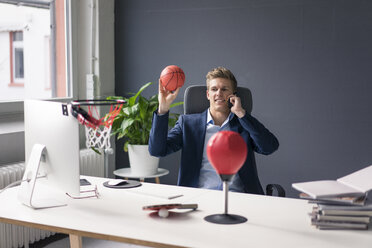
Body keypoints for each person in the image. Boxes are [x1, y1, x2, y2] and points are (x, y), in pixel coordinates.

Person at [149, 67, 279, 194]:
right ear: (208, 94)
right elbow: (157, 150)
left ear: (233, 95)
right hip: (200, 197)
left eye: (224, 89)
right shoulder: (188, 124)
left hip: (239, 197)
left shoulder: (244, 124)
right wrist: (163, 109)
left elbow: (269, 147)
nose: (219, 93)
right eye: (214, 89)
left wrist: (241, 113)